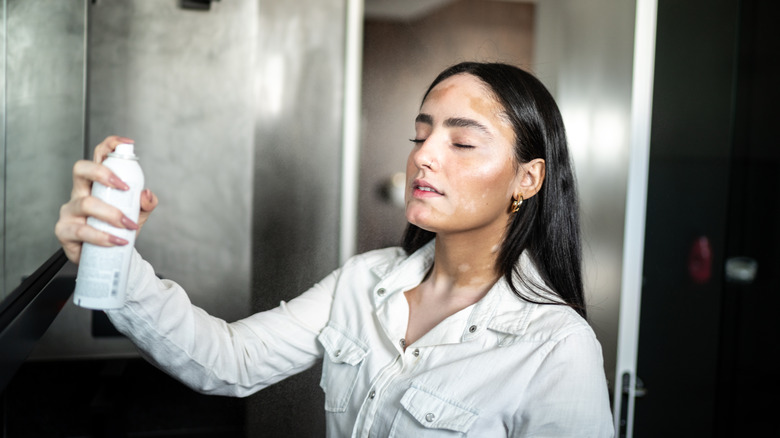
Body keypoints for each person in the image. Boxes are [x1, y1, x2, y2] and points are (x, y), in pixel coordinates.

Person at [55, 62, 614, 437]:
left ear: (528, 178)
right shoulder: (363, 281)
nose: (424, 156)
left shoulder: (556, 348)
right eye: (420, 135)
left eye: (462, 142)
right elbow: (230, 360)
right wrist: (115, 259)